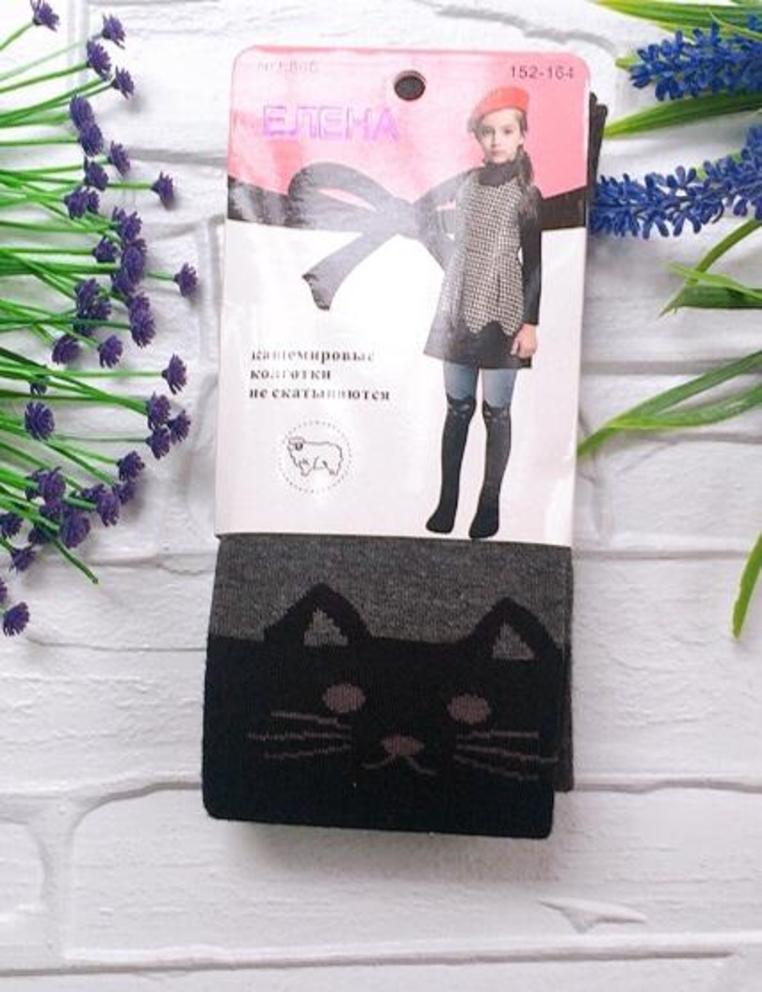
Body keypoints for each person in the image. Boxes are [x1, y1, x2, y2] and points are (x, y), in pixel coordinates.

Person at [424, 85, 542, 540]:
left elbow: (533, 263)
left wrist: (530, 324)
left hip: (504, 308)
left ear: (521, 136)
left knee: (497, 412)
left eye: (507, 131)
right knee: (457, 409)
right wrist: (450, 258)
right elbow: (425, 213)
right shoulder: (466, 183)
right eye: (488, 131)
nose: (497, 140)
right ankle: (447, 501)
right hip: (458, 302)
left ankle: (488, 504)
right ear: (478, 137)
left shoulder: (527, 193)